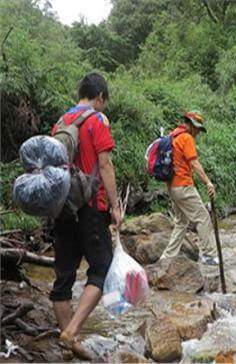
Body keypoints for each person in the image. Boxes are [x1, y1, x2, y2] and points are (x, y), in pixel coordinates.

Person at [50, 73, 121, 360]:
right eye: (104, 100)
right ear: (100, 96)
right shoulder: (97, 120)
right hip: (91, 207)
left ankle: (69, 341)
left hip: (63, 208)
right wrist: (115, 207)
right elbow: (105, 167)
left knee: (63, 277)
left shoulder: (61, 122)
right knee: (102, 270)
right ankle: (72, 331)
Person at [159, 111, 218, 265]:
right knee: (203, 218)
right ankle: (209, 255)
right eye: (197, 128)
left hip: (172, 187)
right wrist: (208, 182)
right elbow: (194, 163)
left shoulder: (174, 136)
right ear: (189, 124)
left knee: (181, 221)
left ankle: (167, 257)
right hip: (183, 186)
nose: (198, 131)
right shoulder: (186, 138)